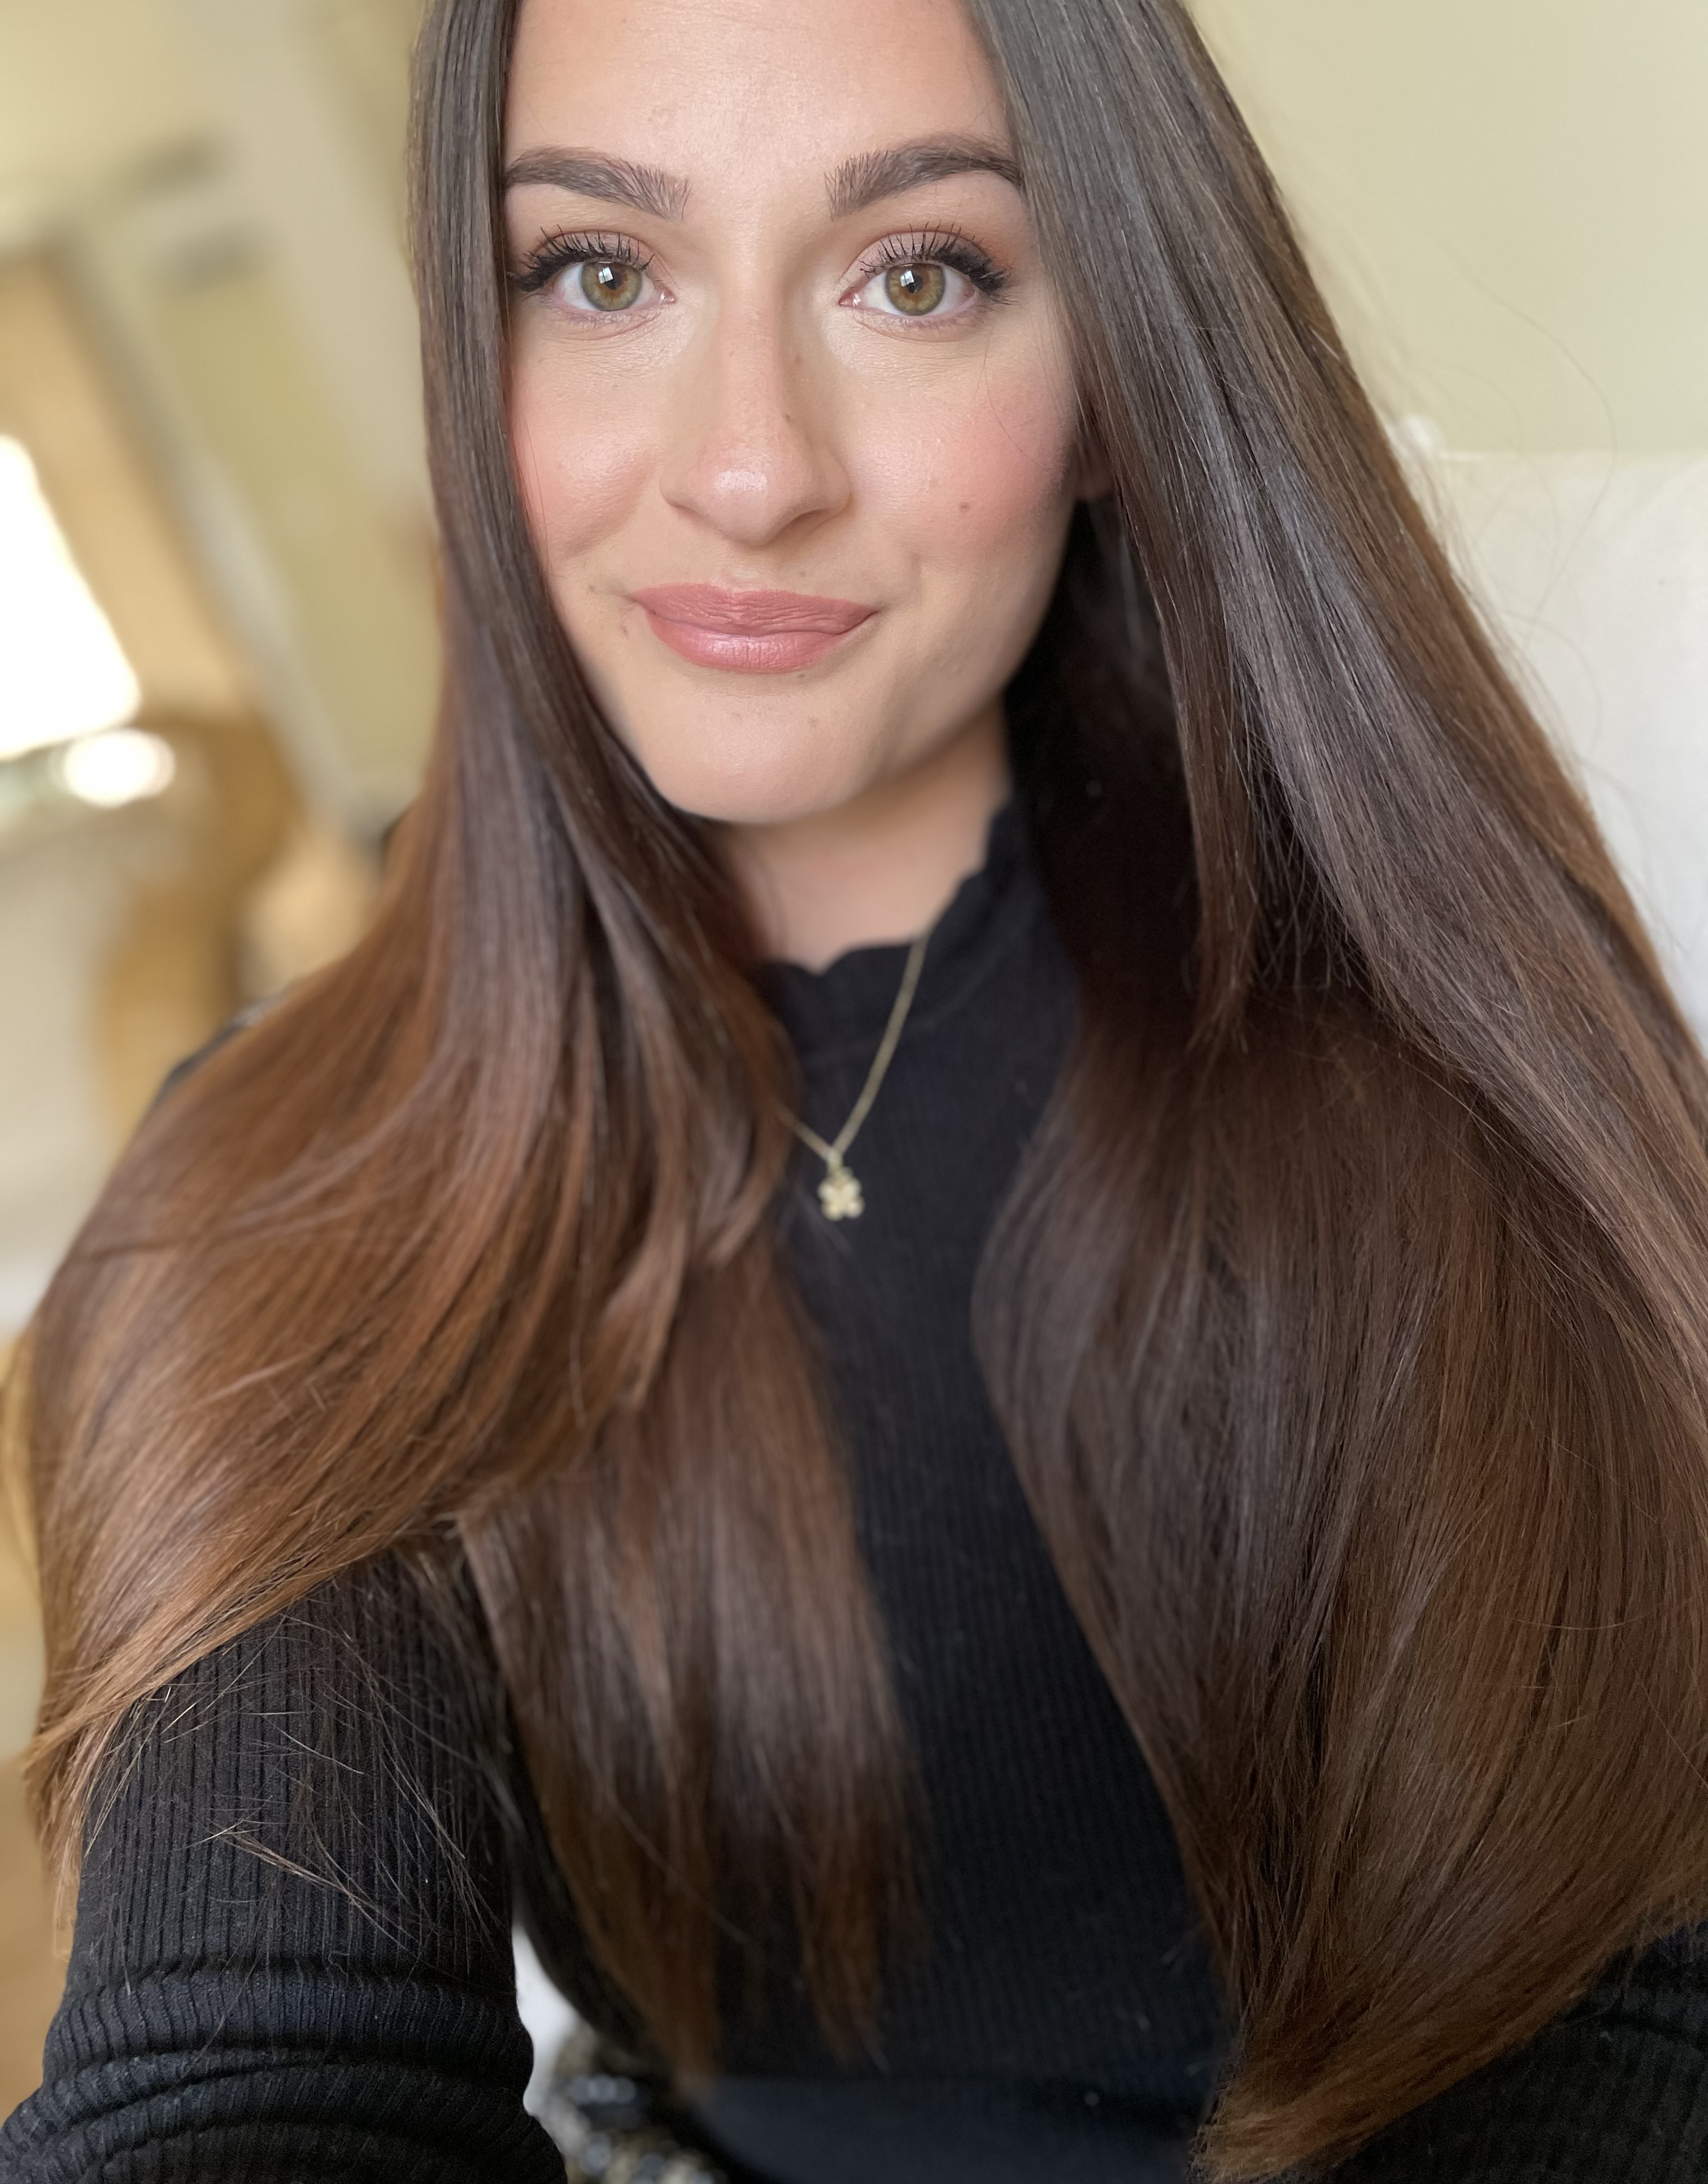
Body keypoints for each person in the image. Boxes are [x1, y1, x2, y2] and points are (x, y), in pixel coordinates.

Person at [7, 0, 1708, 2177]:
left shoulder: (1430, 1016)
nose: (749, 470)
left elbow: (1627, 1978)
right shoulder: (273, 1186)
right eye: (598, 271)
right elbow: (245, 2087)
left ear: (1115, 372)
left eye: (918, 274)